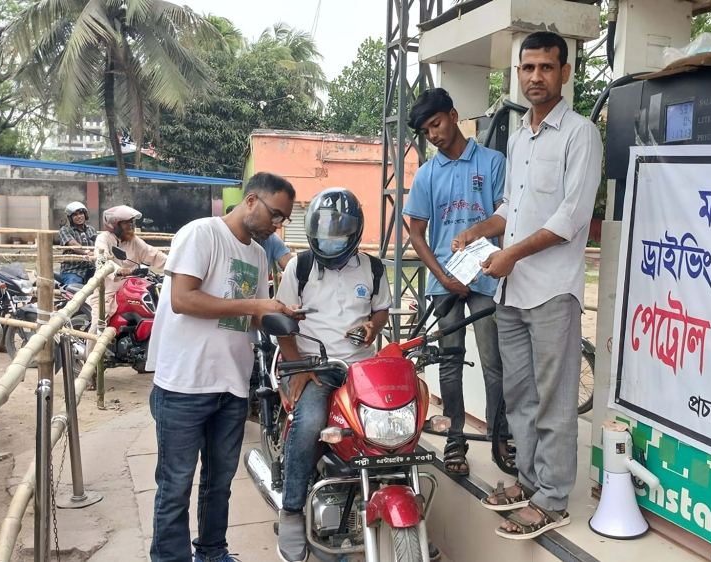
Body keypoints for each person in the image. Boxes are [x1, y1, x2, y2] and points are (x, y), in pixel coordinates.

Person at [452, 31, 602, 540]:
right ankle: (530, 481)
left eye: (546, 67)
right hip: (511, 292)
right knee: (518, 395)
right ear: (517, 73)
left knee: (554, 397)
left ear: (564, 73)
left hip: (552, 289)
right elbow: (511, 210)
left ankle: (554, 500)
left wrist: (510, 254)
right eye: (528, 68)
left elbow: (571, 217)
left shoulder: (580, 134)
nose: (536, 76)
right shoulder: (518, 138)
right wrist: (481, 230)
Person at [145, 172, 301, 562]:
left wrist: (280, 314)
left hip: (231, 385)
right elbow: (183, 299)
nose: (277, 225)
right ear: (251, 200)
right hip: (184, 385)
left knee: (219, 484)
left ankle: (213, 552)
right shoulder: (202, 234)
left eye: (283, 219)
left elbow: (249, 316)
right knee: (176, 486)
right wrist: (255, 306)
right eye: (275, 215)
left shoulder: (256, 251)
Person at [274, 188, 392, 562]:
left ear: (354, 233)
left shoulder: (373, 268)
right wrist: (295, 366)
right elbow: (282, 320)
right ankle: (292, 510)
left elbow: (380, 311)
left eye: (339, 232)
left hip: (362, 370)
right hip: (315, 367)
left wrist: (373, 328)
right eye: (325, 231)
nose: (331, 239)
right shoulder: (300, 266)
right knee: (309, 423)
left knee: (388, 426)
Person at [403, 87, 506, 476]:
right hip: (444, 284)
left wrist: (485, 255)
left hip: (486, 276)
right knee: (449, 362)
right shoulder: (427, 174)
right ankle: (455, 441)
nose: (434, 135)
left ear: (454, 114)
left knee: (494, 361)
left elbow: (504, 216)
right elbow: (417, 233)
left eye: (437, 124)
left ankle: (499, 435)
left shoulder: (493, 162)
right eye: (427, 131)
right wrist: (442, 276)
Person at [87, 205, 167, 331]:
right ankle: (91, 351)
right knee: (97, 328)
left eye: (131, 222)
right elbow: (102, 259)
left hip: (130, 290)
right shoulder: (104, 238)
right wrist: (118, 270)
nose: (130, 225)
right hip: (107, 293)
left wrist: (173, 264)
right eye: (125, 222)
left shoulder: (132, 239)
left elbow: (152, 254)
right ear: (114, 224)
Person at [58, 201, 97, 285]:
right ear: (70, 217)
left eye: (81, 213)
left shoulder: (91, 230)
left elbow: (98, 244)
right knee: (74, 291)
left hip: (91, 268)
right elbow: (73, 245)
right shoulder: (65, 230)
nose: (79, 216)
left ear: (85, 214)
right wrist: (88, 252)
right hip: (73, 269)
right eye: (75, 215)